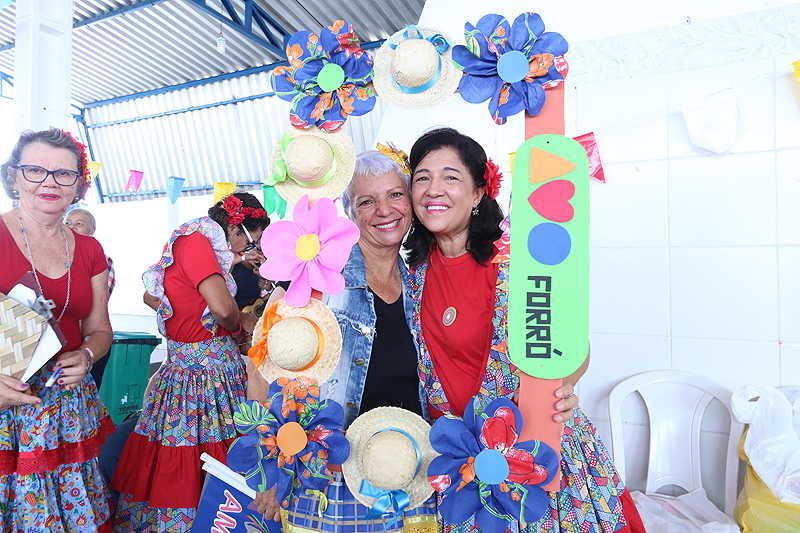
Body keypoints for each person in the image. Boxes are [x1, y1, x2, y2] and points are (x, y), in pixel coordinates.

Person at [249, 149, 578, 531]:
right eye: (366, 201)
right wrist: (270, 466)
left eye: (395, 195)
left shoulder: (420, 280)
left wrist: (558, 387)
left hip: (412, 473)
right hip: (331, 477)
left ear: (410, 203)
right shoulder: (316, 279)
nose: (384, 210)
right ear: (350, 213)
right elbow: (260, 369)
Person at [405, 127, 645, 533]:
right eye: (422, 178)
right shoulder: (411, 273)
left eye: (450, 177)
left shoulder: (518, 260)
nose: (433, 189)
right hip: (460, 465)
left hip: (534, 448)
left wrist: (560, 387)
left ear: (479, 192)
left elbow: (573, 344)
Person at [112, 192, 269, 532]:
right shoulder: (197, 241)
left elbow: (152, 296)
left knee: (180, 446)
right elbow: (223, 310)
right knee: (216, 448)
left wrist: (185, 322)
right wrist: (236, 326)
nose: (246, 250)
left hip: (181, 370)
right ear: (236, 228)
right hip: (208, 376)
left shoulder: (189, 239)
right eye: (248, 242)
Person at [0, 127, 114, 531]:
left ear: (78, 186)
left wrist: (86, 355)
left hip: (67, 405)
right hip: (7, 407)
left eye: (64, 174)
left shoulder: (90, 250)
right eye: (35, 170)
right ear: (13, 176)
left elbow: (100, 329)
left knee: (72, 514)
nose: (49, 182)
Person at [64, 207, 115, 387]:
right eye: (68, 222)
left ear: (92, 230)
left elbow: (96, 303)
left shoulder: (101, 260)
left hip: (86, 341)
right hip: (59, 345)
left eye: (79, 223)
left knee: (85, 393)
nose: (72, 226)